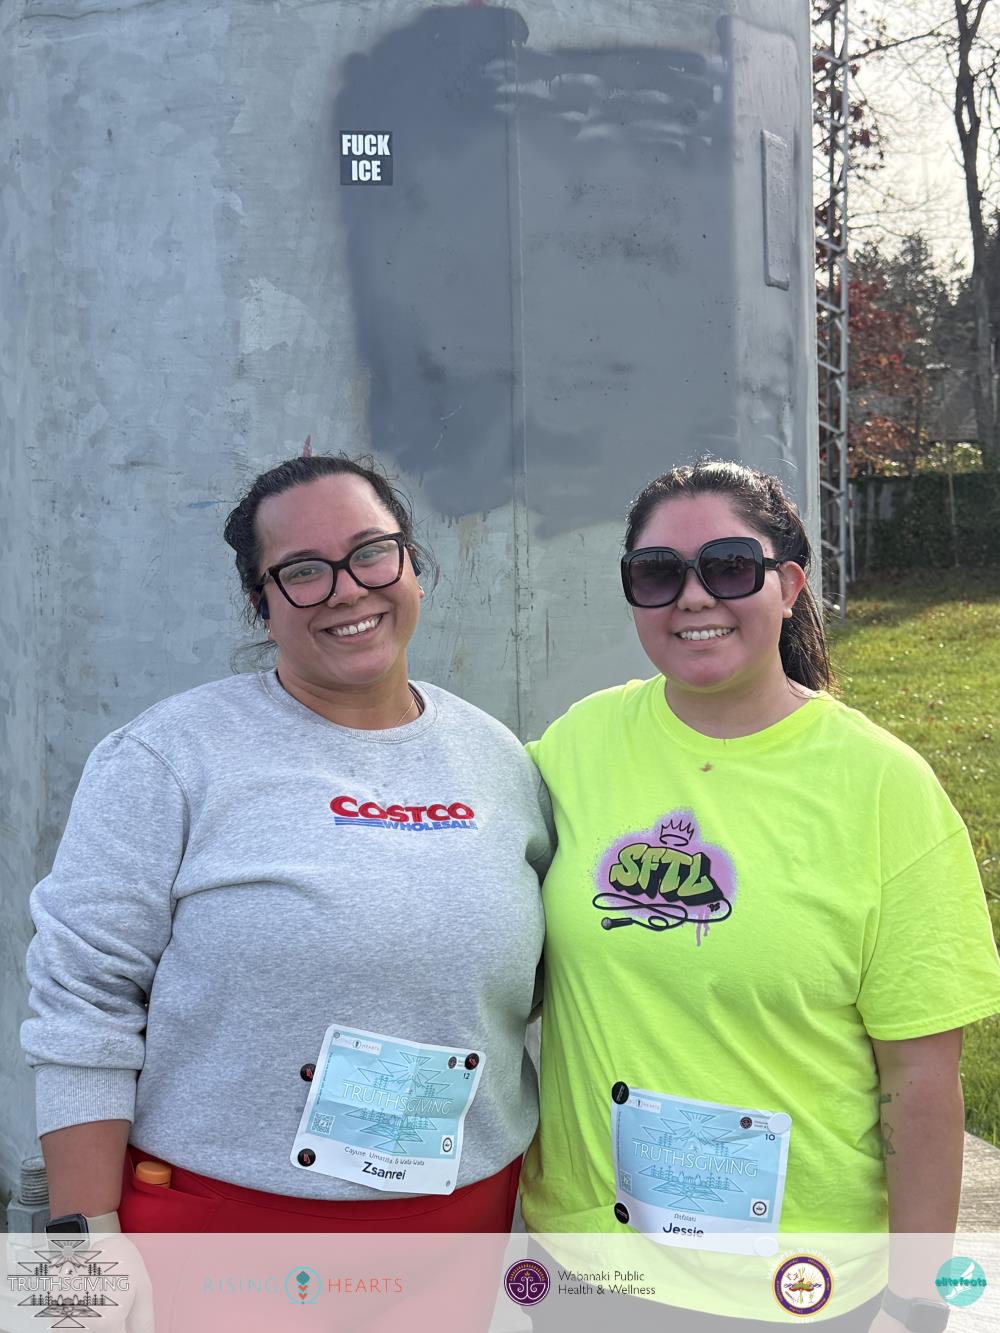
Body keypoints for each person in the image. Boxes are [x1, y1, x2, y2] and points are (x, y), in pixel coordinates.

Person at [520, 459, 1000, 1330]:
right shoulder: (578, 745)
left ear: (789, 585)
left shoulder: (884, 788)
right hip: (589, 1269)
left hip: (796, 1289)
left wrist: (919, 1297)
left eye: (729, 566)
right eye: (657, 573)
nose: (693, 596)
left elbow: (921, 1077)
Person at [22, 453, 552, 1236]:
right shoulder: (168, 757)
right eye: (304, 570)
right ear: (261, 604)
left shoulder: (497, 758)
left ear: (413, 565)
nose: (348, 588)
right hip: (216, 1220)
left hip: (460, 1215)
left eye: (371, 552)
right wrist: (80, 1252)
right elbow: (83, 1003)